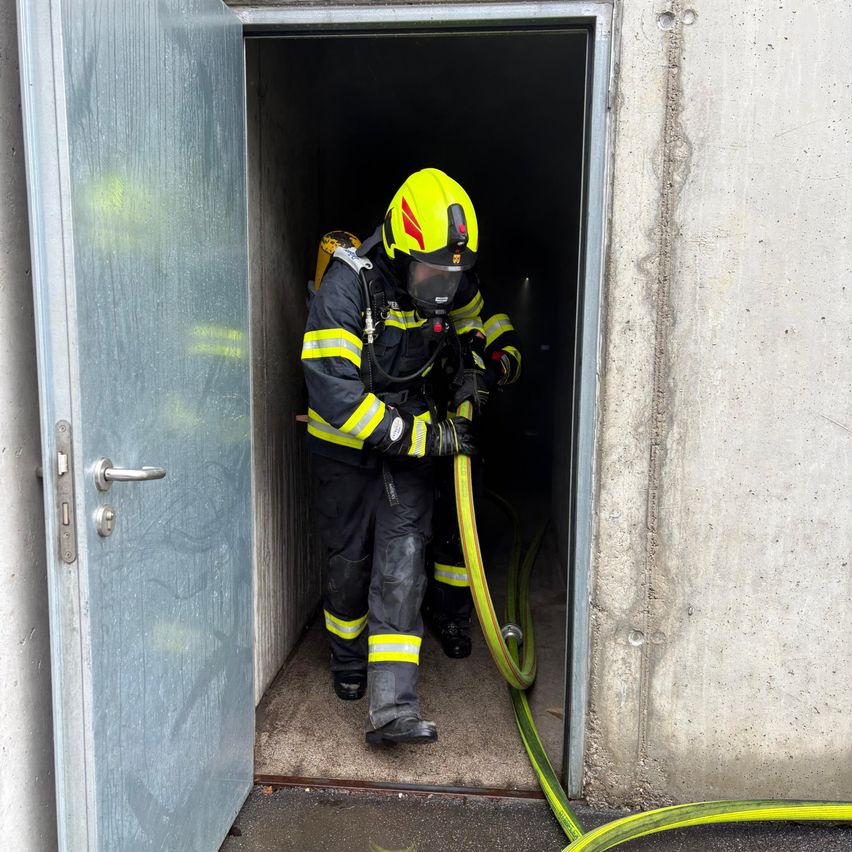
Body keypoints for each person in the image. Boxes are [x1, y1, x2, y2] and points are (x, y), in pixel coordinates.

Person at [301, 168, 486, 745]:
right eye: (430, 271)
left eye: (451, 274)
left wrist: (471, 374)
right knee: (349, 563)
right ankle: (349, 663)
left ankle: (394, 707)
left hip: (408, 447)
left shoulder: (442, 280)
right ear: (399, 249)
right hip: (346, 453)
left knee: (404, 564)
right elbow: (335, 396)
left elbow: (471, 323)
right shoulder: (346, 287)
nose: (441, 287)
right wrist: (427, 439)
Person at [425, 307, 523, 658]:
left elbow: (513, 357)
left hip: (465, 444)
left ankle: (451, 617)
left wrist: (488, 372)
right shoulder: (419, 297)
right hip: (420, 436)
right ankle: (414, 607)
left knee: (458, 530)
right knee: (412, 528)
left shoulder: (489, 315)